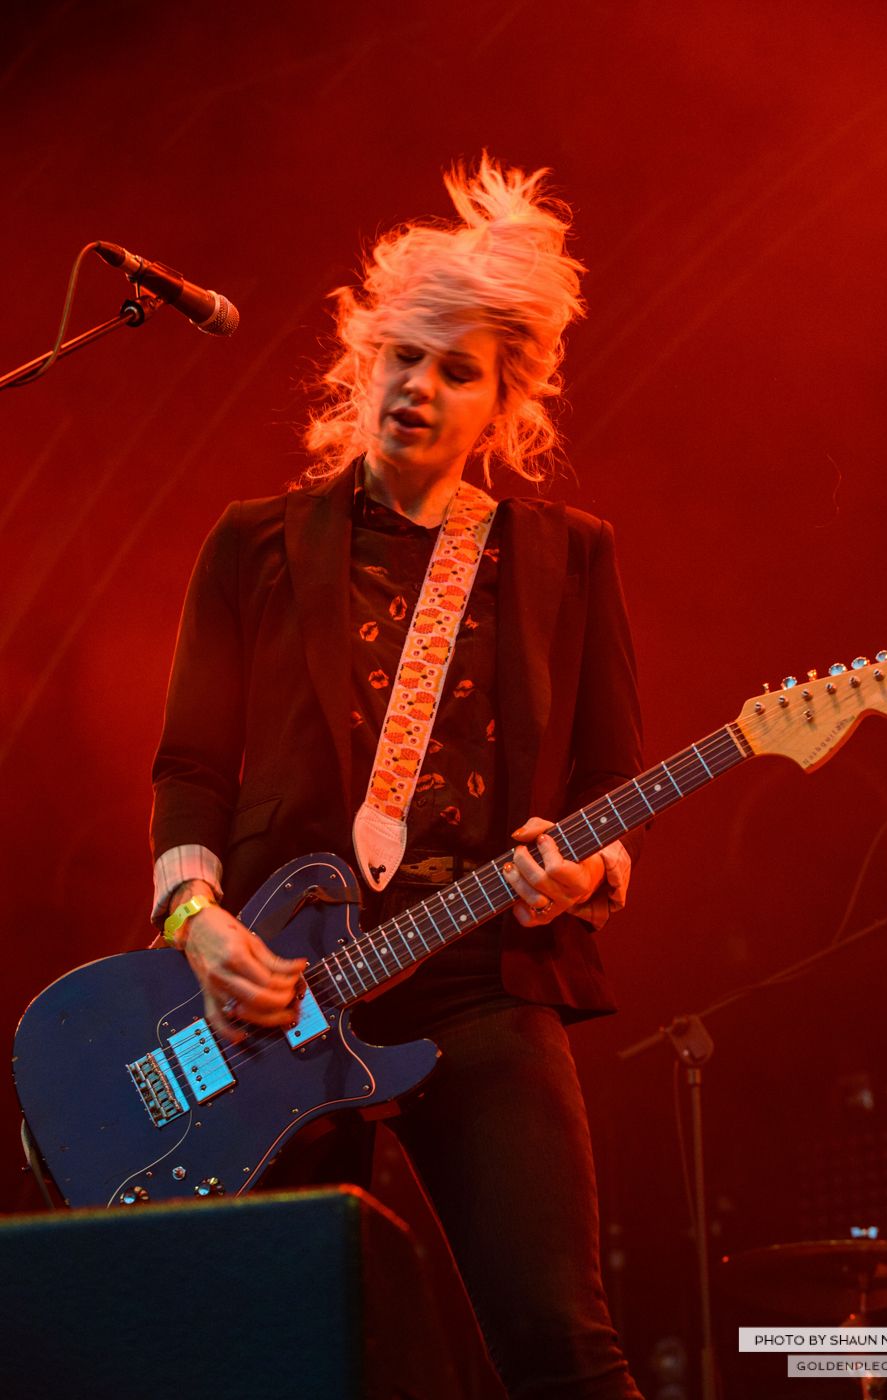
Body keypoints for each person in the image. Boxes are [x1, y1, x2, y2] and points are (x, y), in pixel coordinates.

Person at [151, 156, 645, 1400]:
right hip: (277, 999)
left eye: (455, 367)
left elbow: (607, 781)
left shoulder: (567, 559)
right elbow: (191, 767)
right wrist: (192, 920)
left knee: (557, 1341)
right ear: (360, 364)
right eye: (400, 356)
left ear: (505, 401)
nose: (418, 384)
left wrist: (580, 869)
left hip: (480, 985)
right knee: (260, 1355)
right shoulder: (252, 543)